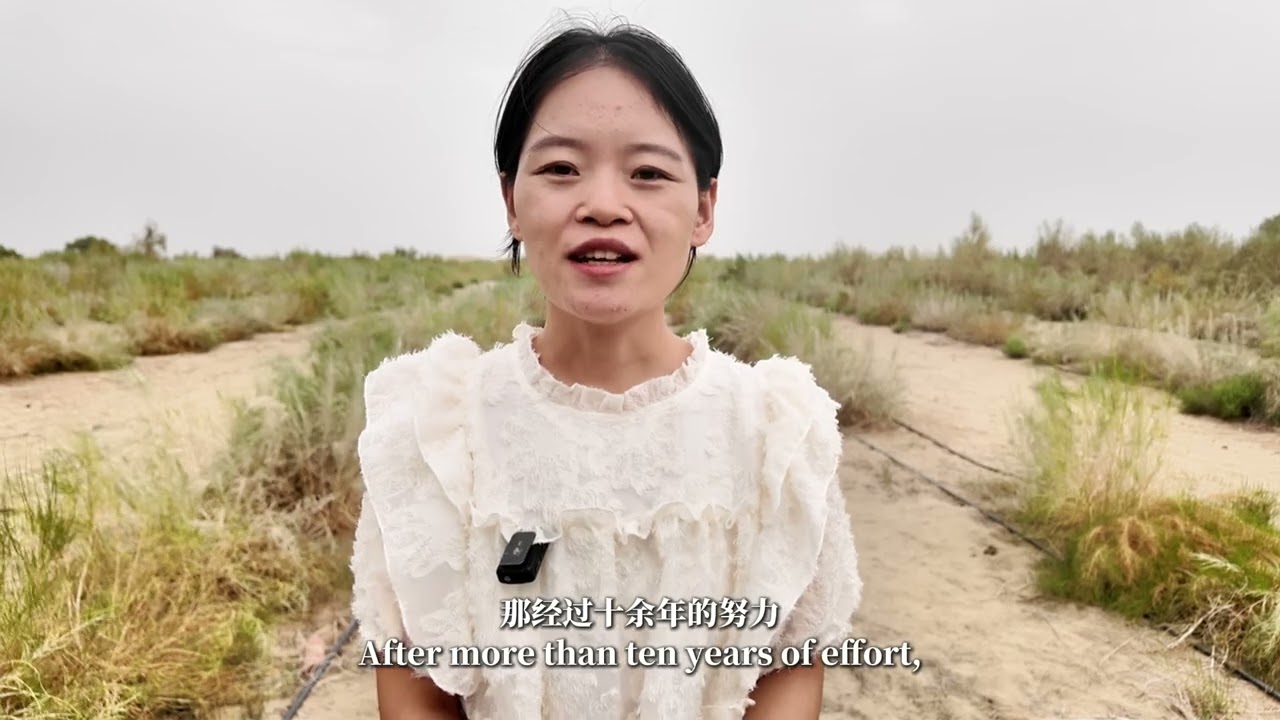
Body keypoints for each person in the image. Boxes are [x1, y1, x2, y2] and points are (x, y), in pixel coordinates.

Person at [349, 17, 862, 720]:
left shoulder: (775, 434)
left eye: (648, 173)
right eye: (561, 168)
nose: (602, 206)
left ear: (704, 208)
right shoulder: (438, 435)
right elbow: (414, 681)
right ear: (512, 203)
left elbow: (789, 666)